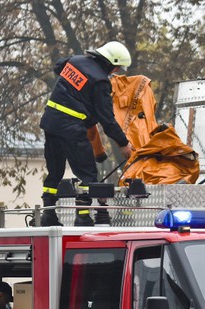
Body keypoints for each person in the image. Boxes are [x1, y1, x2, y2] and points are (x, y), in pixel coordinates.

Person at [39, 41, 134, 227]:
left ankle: (48, 215)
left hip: (51, 123)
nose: (115, 72)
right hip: (71, 128)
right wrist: (123, 144)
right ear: (110, 62)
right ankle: (82, 216)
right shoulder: (100, 81)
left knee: (55, 172)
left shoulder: (75, 61)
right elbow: (107, 120)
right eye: (116, 68)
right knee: (88, 175)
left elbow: (58, 66)